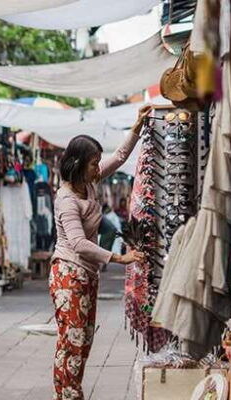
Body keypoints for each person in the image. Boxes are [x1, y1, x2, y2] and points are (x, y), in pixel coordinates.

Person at [50, 105, 152, 400]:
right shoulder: (67, 198)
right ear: (79, 164)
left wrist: (137, 127)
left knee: (83, 341)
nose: (98, 168)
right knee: (71, 341)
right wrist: (120, 258)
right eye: (94, 163)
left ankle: (72, 393)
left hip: (86, 275)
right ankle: (67, 395)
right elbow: (79, 243)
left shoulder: (90, 182)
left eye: (97, 163)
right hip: (68, 275)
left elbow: (119, 158)